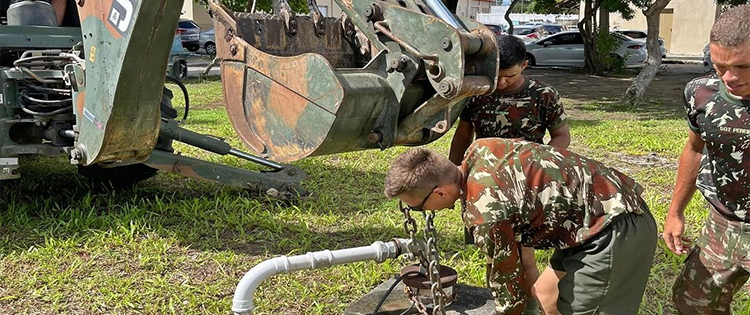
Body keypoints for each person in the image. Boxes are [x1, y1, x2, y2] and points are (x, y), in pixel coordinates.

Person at [385, 138, 656, 315]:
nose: (419, 211)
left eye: (418, 206)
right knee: (545, 295)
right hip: (585, 219)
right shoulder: (480, 149)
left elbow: (507, 285)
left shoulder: (484, 212)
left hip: (612, 227)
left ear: (440, 193)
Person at [449, 34, 570, 314]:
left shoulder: (543, 95)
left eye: (509, 76)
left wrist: (542, 165)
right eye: (498, 75)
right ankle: (503, 304)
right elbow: (463, 135)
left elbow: (562, 135)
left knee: (525, 256)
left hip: (526, 185)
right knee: (494, 254)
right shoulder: (478, 93)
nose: (501, 82)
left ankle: (532, 309)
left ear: (525, 65)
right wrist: (455, 173)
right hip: (484, 185)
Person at [663, 5, 750, 314]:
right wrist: (676, 211)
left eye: (743, 66)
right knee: (692, 306)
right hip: (722, 225)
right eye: (719, 65)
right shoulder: (701, 94)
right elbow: (694, 149)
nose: (730, 77)